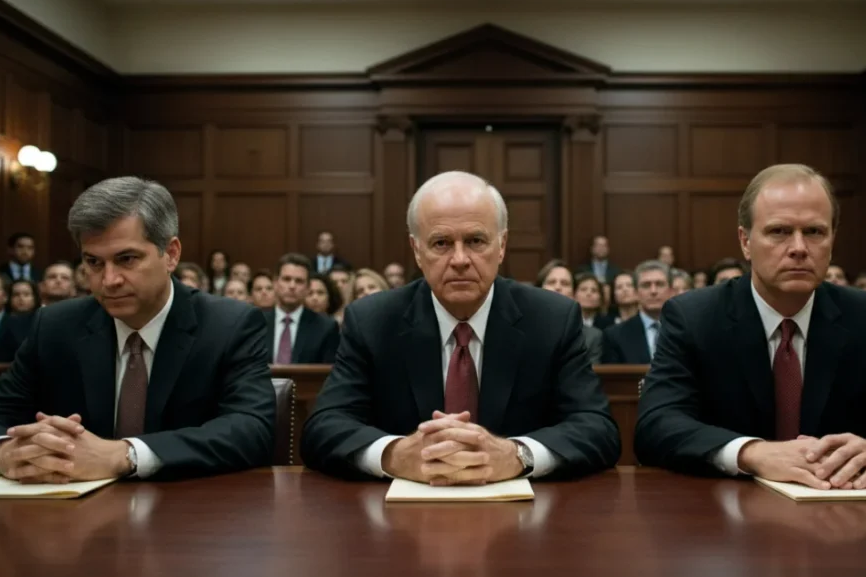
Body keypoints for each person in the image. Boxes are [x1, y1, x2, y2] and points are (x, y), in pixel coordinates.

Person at [636, 164, 866, 488]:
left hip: (841, 513)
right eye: (779, 231)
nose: (799, 248)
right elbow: (657, 424)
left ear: (833, 239)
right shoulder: (694, 317)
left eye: (815, 232)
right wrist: (751, 453)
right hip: (725, 515)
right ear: (745, 241)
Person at [301, 171, 620, 481]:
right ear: (417, 251)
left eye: (476, 241)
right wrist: (395, 454)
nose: (459, 259)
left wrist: (517, 455)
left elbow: (597, 428)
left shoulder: (552, 319)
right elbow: (324, 427)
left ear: (502, 246)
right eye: (441, 243)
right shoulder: (372, 321)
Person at [0, 176, 275, 482]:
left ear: (171, 254)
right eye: (94, 262)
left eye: (126, 259)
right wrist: (4, 454)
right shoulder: (56, 326)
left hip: (190, 514)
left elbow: (252, 428)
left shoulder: (229, 325)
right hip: (72, 518)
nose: (109, 280)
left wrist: (124, 455)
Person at [265, 253, 339, 364]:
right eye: (286, 279)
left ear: (308, 287)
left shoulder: (325, 327)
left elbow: (328, 373)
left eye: (299, 281)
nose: (292, 286)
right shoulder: (256, 323)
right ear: (275, 283)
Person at [602, 260, 672, 364]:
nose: (653, 291)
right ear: (636, 292)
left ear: (670, 290)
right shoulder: (615, 336)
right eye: (646, 285)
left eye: (660, 284)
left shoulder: (687, 330)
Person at [534, 260, 603, 364]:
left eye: (565, 283)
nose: (558, 287)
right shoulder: (524, 331)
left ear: (573, 294)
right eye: (551, 282)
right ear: (539, 289)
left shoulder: (592, 337)